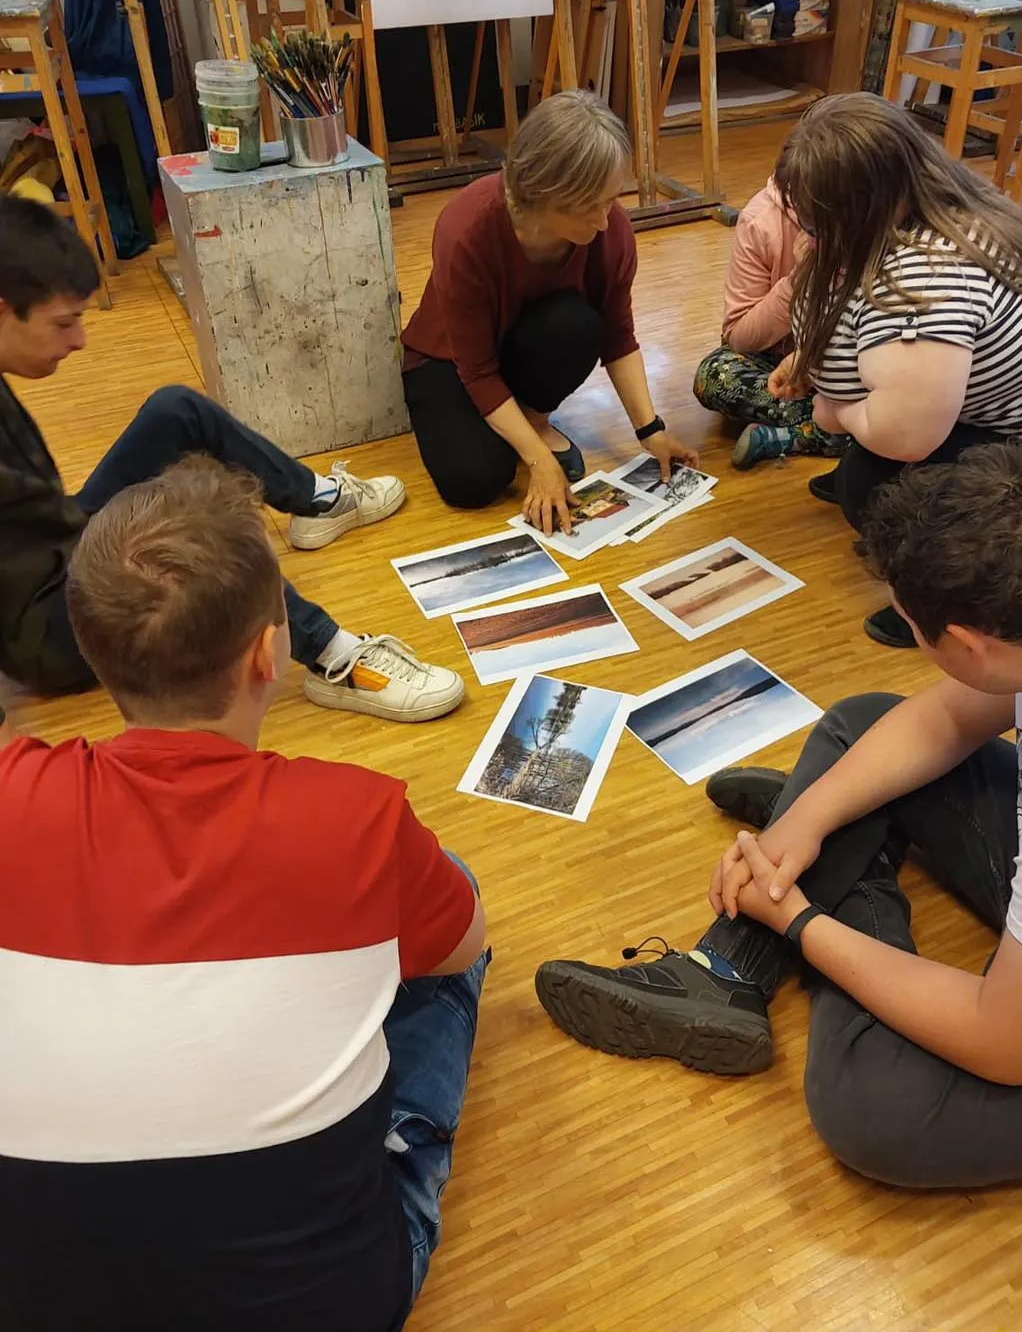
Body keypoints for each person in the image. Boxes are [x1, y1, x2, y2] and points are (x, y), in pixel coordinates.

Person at [0, 456, 488, 1332]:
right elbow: (460, 948)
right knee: (448, 915)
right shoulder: (359, 819)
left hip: (42, 1303)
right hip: (334, 1302)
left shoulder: (10, 793)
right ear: (271, 652)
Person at [536, 443, 1022, 1189]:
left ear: (964, 644)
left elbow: (1006, 1040)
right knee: (862, 731)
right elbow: (951, 716)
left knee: (872, 1109)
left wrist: (798, 921)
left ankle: (794, 909)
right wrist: (806, 823)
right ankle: (752, 941)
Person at [0, 195, 463, 724]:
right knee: (197, 535)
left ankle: (319, 501)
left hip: (58, 544)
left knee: (176, 410)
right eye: (65, 323)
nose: (80, 340)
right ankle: (337, 659)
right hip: (46, 626)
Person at [770, 91, 1022, 648]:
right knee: (865, 459)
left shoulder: (925, 278)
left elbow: (903, 434)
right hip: (1009, 413)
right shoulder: (951, 202)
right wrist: (811, 359)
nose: (808, 239)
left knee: (869, 484)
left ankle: (951, 599)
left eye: (819, 226)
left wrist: (834, 409)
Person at [401, 89, 698, 534]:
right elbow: (477, 369)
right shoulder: (466, 228)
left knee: (578, 326)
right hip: (448, 358)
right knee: (474, 481)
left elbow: (618, 337)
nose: (604, 221)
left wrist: (650, 429)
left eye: (610, 200)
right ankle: (521, 431)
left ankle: (530, 419)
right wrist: (539, 461)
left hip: (526, 346)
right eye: (587, 207)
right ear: (540, 193)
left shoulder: (609, 230)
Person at [692, 172, 844, 470]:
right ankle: (841, 428)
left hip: (853, 361)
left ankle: (817, 431)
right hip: (788, 362)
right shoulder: (761, 220)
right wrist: (798, 281)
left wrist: (819, 357)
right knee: (715, 376)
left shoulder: (876, 216)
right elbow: (738, 337)